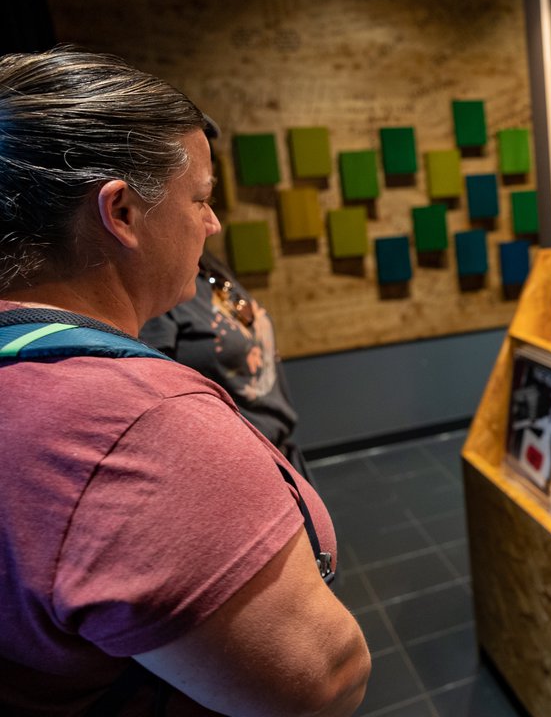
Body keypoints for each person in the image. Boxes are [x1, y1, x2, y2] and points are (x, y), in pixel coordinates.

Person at [0, 47, 369, 713]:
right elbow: (324, 679)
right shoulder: (137, 424)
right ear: (121, 213)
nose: (213, 221)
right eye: (199, 199)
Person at [140, 117, 304, 474]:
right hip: (245, 469)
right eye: (198, 199)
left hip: (279, 456)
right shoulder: (159, 293)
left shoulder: (205, 262)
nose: (213, 221)